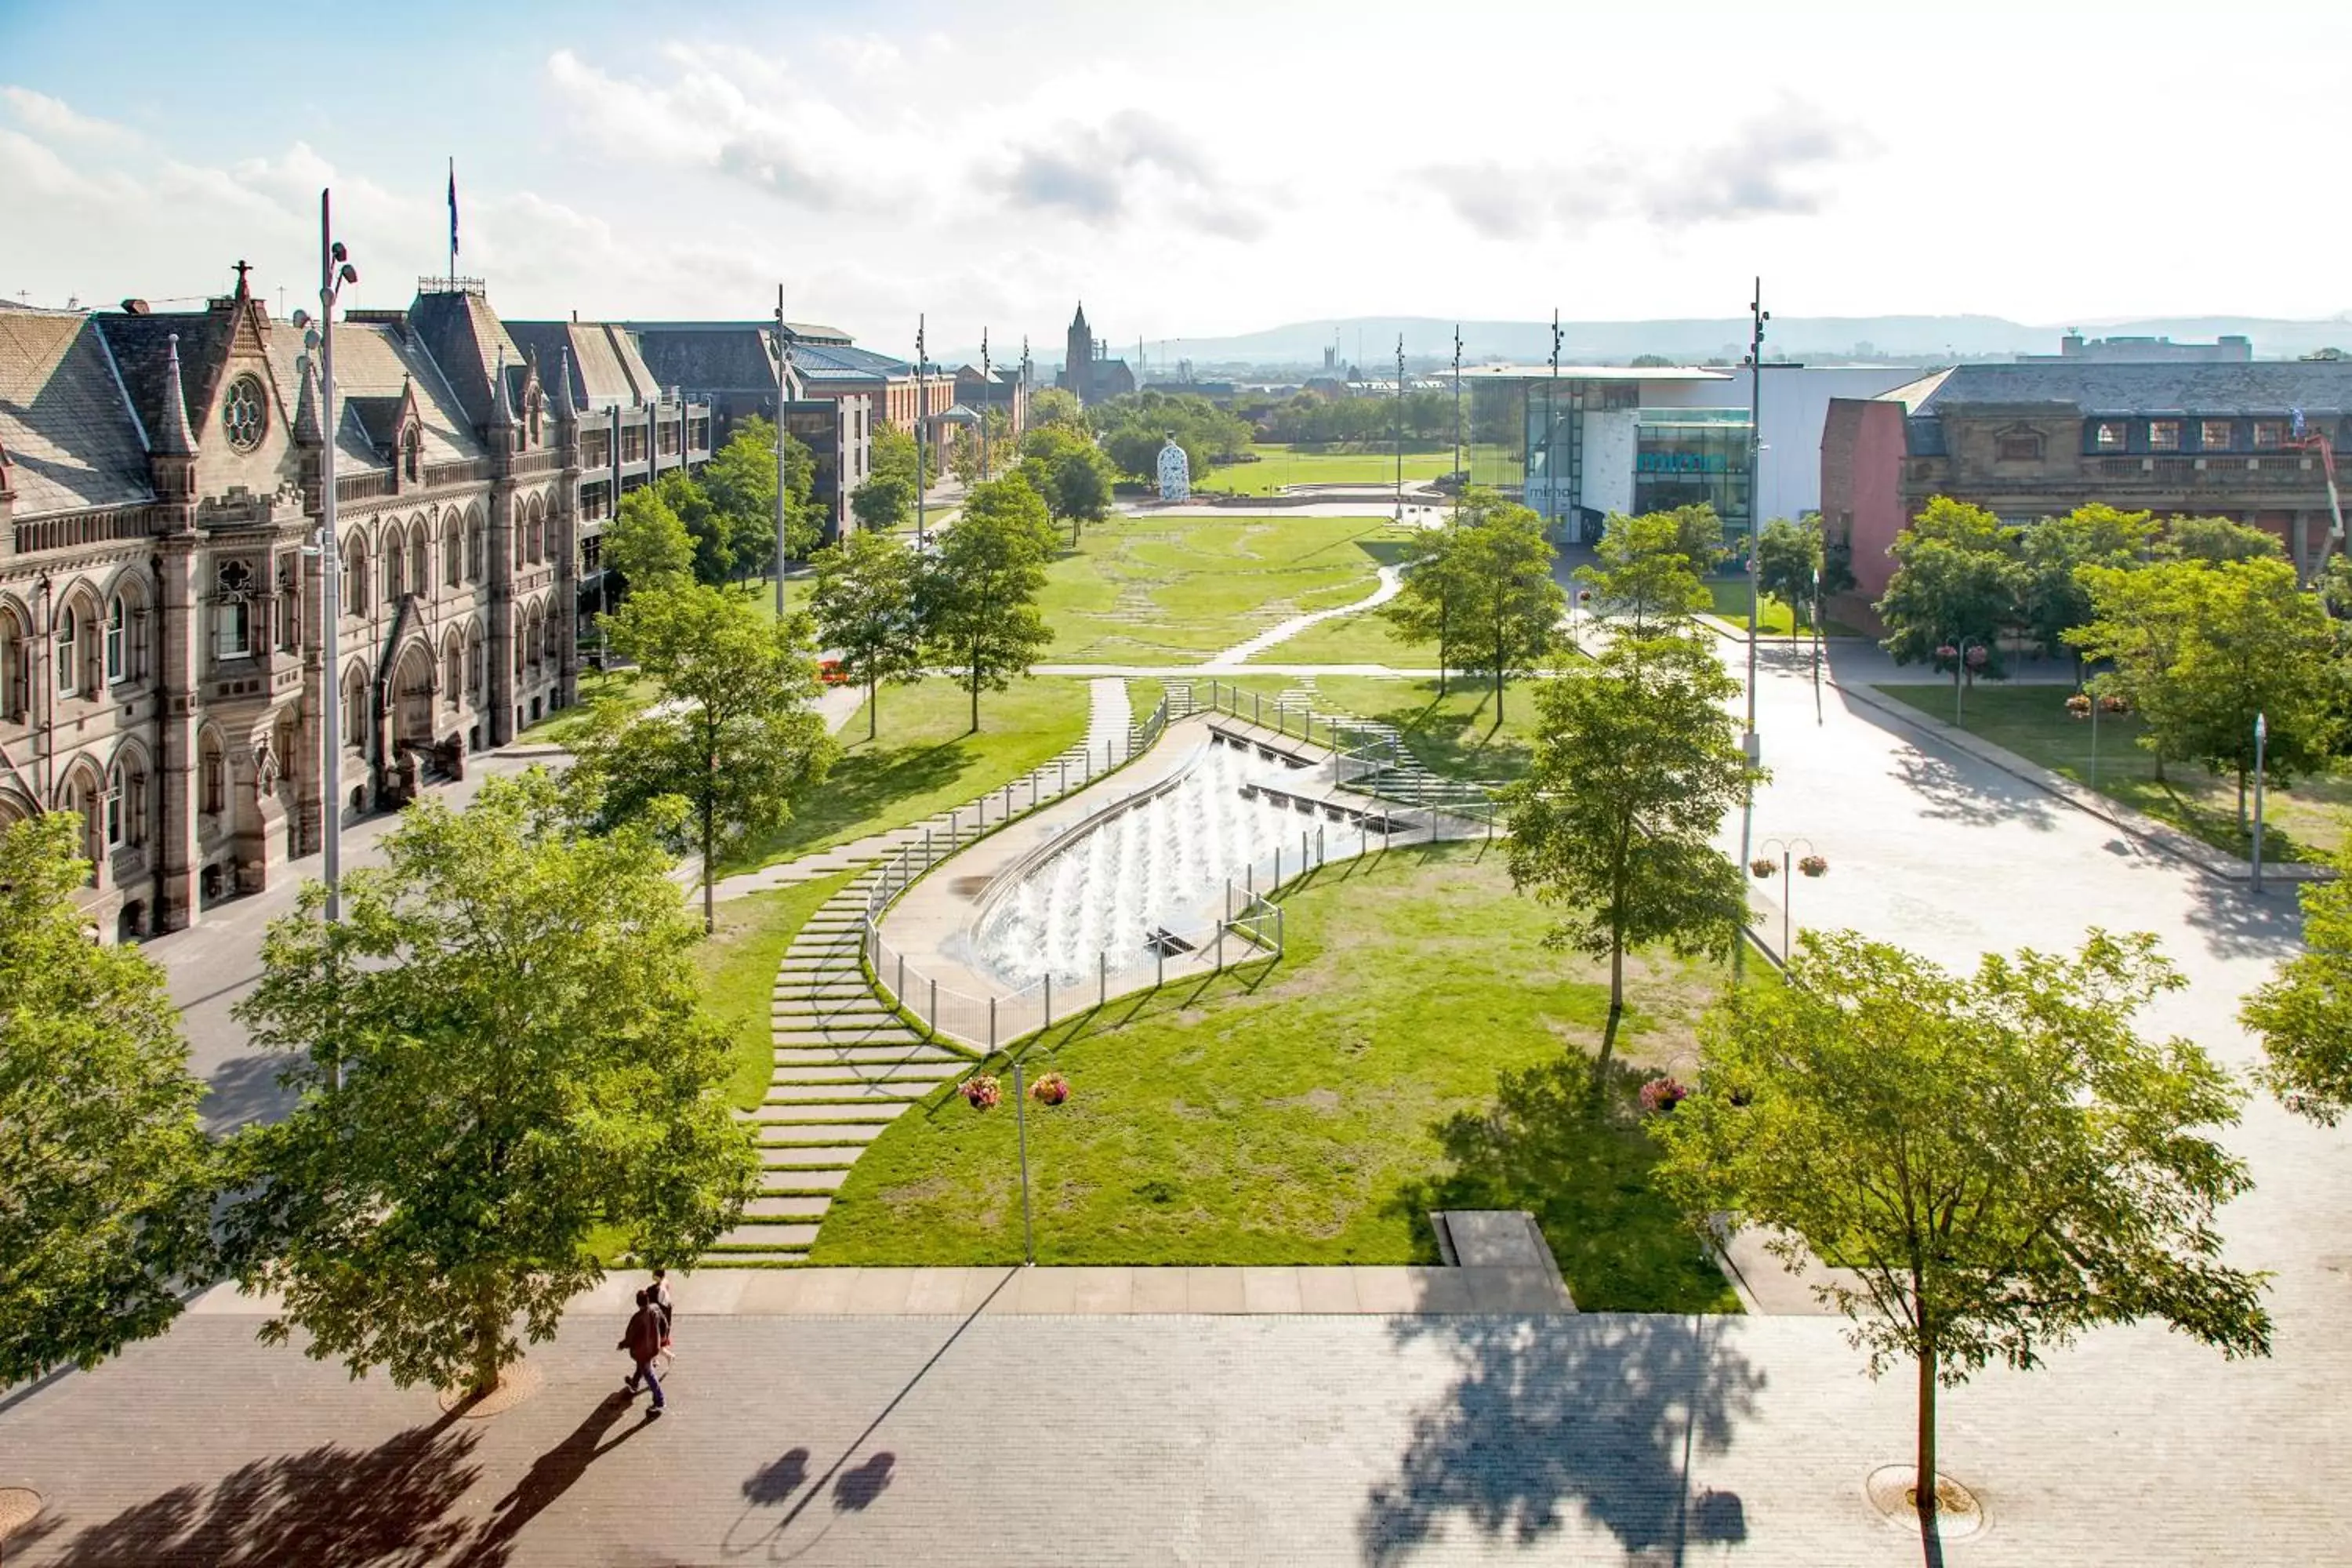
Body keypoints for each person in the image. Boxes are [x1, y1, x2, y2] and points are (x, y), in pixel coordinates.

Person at [619, 1288, 666, 1415]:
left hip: (642, 1351)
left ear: (637, 1303)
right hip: (653, 1347)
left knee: (649, 1374)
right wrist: (663, 1337)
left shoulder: (637, 1318)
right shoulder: (655, 1308)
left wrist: (623, 1344)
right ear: (648, 1300)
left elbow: (630, 1336)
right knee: (643, 1366)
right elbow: (664, 1323)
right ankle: (634, 1384)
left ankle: (659, 1401)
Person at [651, 1268, 674, 1351]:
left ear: (658, 1277)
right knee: (667, 1322)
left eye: (654, 1275)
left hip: (664, 1305)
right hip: (668, 1304)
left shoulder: (660, 1288)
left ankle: (663, 1342)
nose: (652, 1276)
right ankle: (665, 1340)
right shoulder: (665, 1281)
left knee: (663, 1323)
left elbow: (660, 1300)